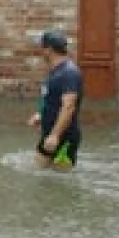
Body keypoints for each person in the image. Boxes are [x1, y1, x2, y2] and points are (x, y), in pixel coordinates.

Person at [27, 30, 83, 170]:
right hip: (50, 134)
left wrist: (55, 135)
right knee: (40, 174)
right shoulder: (56, 71)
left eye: (42, 47)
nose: (40, 50)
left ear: (49, 50)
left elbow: (69, 106)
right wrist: (41, 115)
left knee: (61, 184)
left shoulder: (69, 73)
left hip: (64, 137)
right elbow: (53, 100)